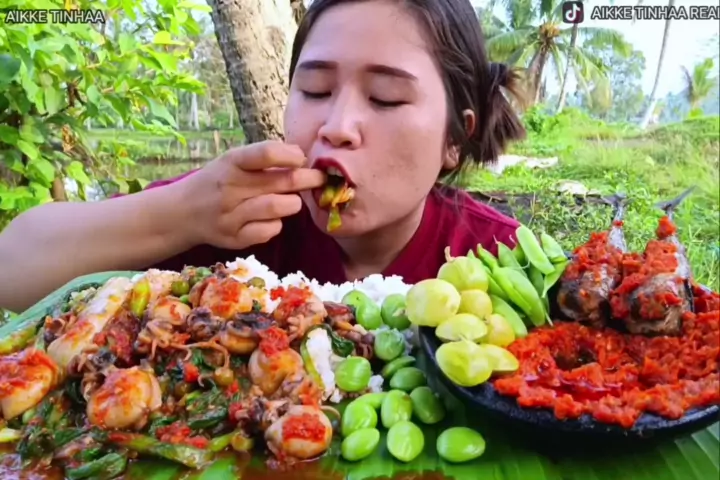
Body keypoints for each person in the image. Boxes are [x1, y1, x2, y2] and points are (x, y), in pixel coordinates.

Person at [0, 0, 526, 313]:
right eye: (316, 91)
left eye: (385, 98)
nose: (336, 126)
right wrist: (181, 212)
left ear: (455, 138)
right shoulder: (238, 220)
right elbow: (13, 269)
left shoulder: (500, 259)